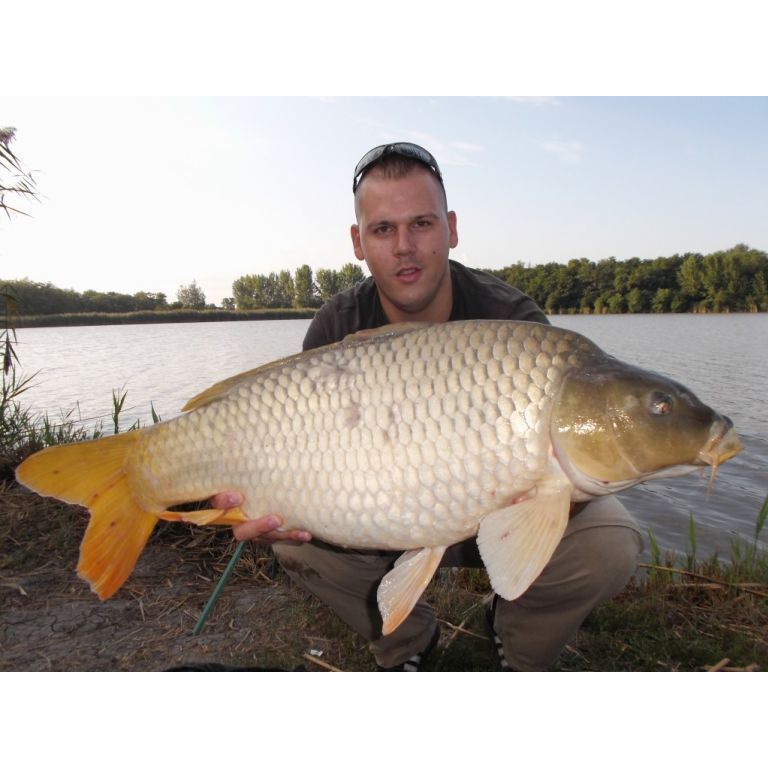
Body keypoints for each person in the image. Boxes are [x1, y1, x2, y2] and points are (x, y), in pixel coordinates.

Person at [213, 142, 643, 671]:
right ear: (358, 242)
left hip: (495, 514)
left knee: (610, 542)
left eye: (422, 223)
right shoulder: (335, 325)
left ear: (451, 228)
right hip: (376, 518)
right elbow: (303, 458)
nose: (405, 247)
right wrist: (271, 501)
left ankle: (518, 639)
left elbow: (558, 475)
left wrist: (566, 485)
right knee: (296, 544)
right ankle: (406, 642)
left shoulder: (513, 322)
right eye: (383, 229)